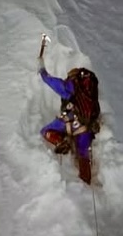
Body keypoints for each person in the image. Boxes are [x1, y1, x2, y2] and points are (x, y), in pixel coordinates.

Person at [37, 36, 98, 185]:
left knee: (45, 131)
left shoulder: (69, 86)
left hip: (69, 122)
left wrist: (41, 68)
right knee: (83, 154)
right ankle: (86, 182)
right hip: (87, 127)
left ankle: (61, 140)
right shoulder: (90, 91)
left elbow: (48, 80)